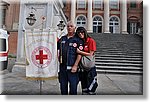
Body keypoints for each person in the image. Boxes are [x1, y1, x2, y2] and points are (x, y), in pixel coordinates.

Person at [57, 21, 84, 95]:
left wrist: (75, 65)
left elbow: (79, 54)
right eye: (68, 26)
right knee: (63, 89)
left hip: (73, 69)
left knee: (73, 89)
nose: (69, 28)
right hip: (63, 68)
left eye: (71, 26)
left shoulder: (78, 40)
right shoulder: (62, 39)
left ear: (75, 28)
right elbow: (56, 47)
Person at [76, 27, 98, 95]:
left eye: (82, 32)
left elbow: (91, 54)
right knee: (84, 88)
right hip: (83, 68)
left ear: (85, 32)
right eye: (78, 33)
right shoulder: (81, 42)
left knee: (91, 88)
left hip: (90, 68)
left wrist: (79, 52)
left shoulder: (91, 41)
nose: (80, 34)